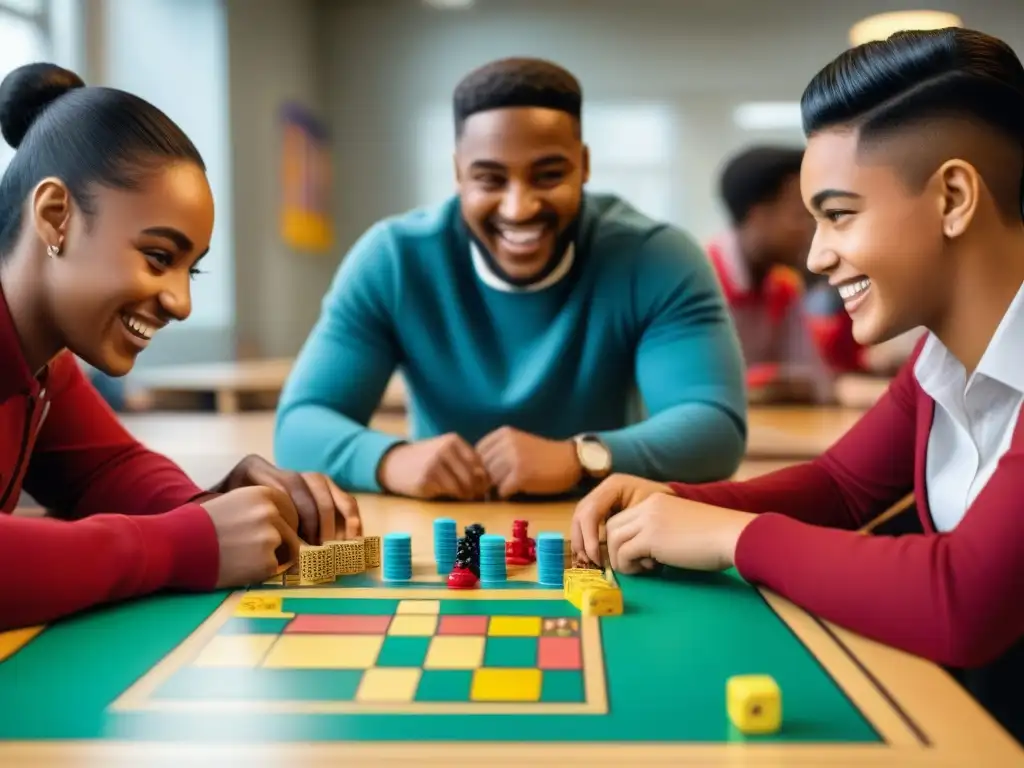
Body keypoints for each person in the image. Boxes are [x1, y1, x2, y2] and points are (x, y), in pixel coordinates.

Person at [570, 28, 1024, 743]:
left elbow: (961, 602)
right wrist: (676, 502)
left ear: (954, 197)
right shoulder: (936, 360)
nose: (815, 256)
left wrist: (730, 534)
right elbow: (842, 487)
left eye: (839, 215)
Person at [275, 57, 747, 501]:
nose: (518, 208)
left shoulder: (657, 258)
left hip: (600, 524)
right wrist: (390, 460)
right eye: (490, 179)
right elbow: (299, 426)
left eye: (548, 175)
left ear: (583, 165)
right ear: (459, 173)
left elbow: (715, 430)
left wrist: (576, 457)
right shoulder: (394, 260)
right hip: (440, 523)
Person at [0, 63, 361, 632]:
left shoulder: (44, 360)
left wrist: (207, 506)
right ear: (54, 216)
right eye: (158, 257)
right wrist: (181, 542)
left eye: (191, 269)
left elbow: (105, 469)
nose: (180, 301)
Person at [706, 145, 830, 402]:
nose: (811, 231)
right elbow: (697, 386)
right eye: (801, 215)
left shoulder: (783, 286)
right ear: (758, 216)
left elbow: (813, 379)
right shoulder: (699, 279)